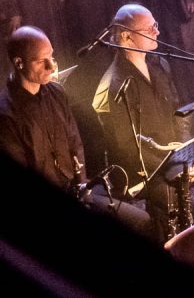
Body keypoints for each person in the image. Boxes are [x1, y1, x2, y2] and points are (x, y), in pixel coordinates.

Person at [92, 4, 194, 239]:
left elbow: (178, 114)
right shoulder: (114, 86)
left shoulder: (159, 64)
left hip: (176, 156)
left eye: (156, 26)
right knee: (182, 204)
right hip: (147, 171)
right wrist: (176, 167)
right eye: (150, 28)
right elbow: (127, 149)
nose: (157, 32)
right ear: (127, 36)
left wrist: (187, 156)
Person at [1, 26, 152, 238]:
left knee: (140, 222)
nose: (51, 66)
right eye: (41, 61)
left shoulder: (56, 92)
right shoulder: (6, 114)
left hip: (78, 194)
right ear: (19, 63)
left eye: (51, 57)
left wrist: (83, 189)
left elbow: (75, 142)